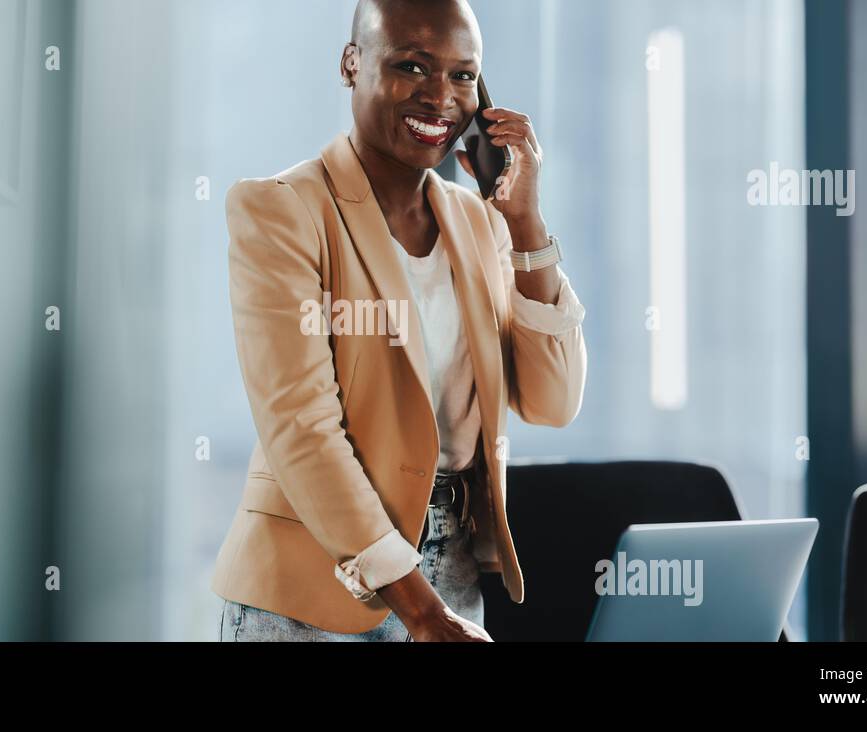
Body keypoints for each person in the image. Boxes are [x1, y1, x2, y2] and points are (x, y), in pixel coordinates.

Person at [212, 0, 587, 641]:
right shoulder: (283, 211)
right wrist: (421, 612)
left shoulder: (480, 223)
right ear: (352, 63)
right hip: (315, 589)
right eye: (412, 66)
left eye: (464, 76)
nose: (440, 97)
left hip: (454, 570)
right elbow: (301, 429)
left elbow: (553, 401)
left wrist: (524, 222)